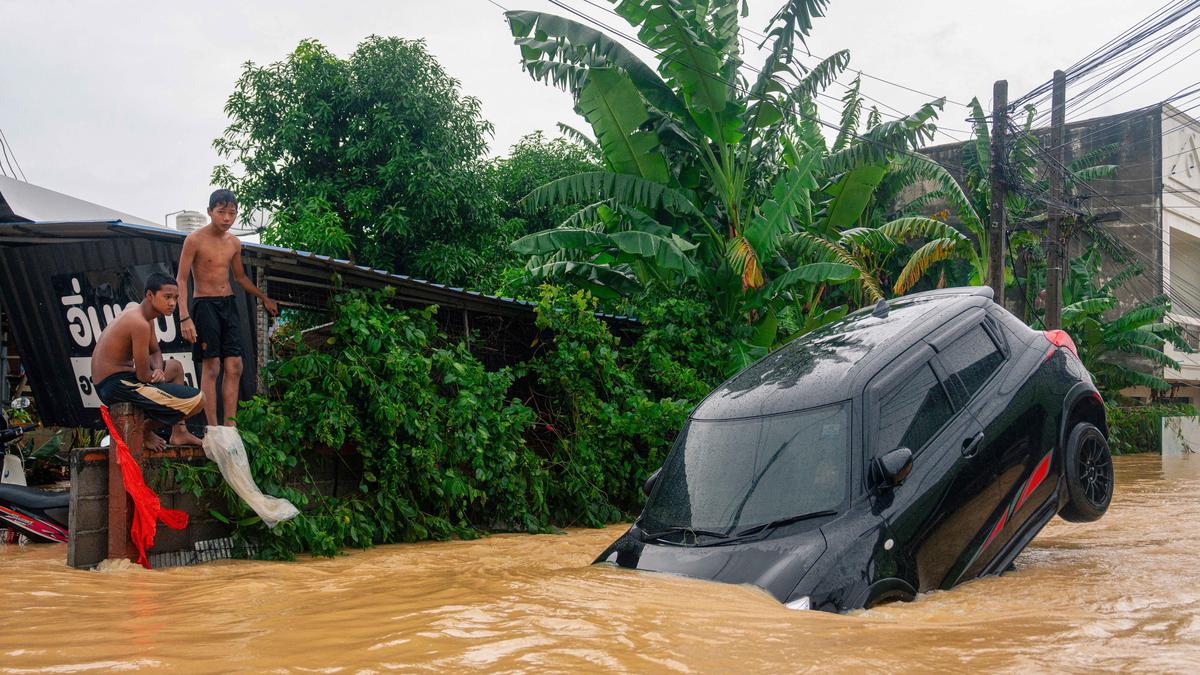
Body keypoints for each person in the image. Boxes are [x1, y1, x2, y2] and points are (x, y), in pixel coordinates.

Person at [177, 189, 278, 427]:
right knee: (211, 367)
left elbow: (240, 278)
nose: (226, 218)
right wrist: (184, 317)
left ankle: (230, 426)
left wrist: (264, 297)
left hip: (228, 304)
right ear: (210, 212)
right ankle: (213, 427)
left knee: (235, 365)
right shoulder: (194, 240)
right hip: (205, 305)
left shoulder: (234, 243)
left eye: (231, 213)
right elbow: (181, 279)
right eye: (221, 212)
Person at [91, 273, 205, 451]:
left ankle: (179, 432)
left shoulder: (145, 316)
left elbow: (155, 351)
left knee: (175, 367)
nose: (172, 303)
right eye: (167, 297)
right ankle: (141, 431)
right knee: (197, 400)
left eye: (175, 298)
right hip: (113, 385)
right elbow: (143, 375)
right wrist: (154, 375)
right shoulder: (139, 323)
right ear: (150, 295)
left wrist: (158, 369)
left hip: (124, 378)